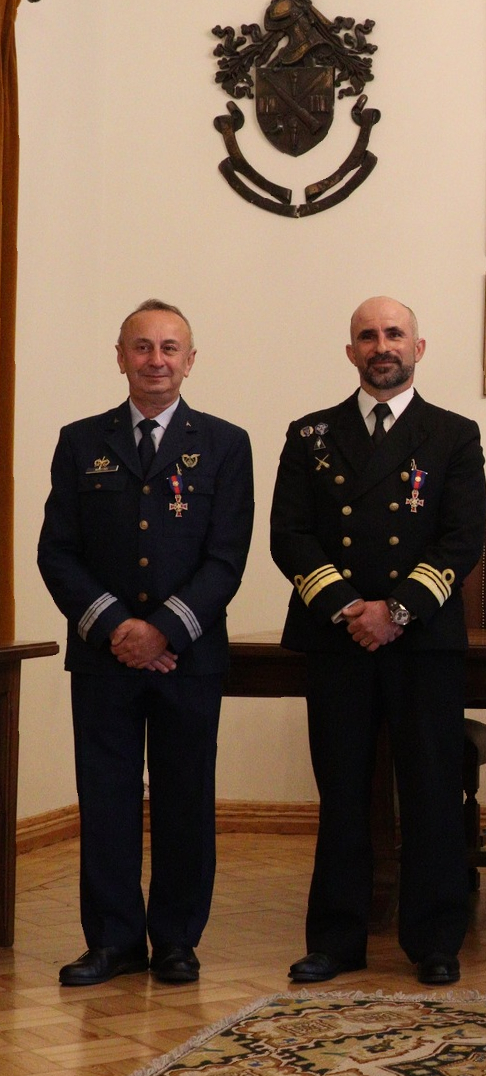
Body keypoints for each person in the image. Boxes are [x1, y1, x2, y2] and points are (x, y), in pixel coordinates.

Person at [271, 297, 486, 987]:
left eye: (395, 334)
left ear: (418, 348)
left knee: (431, 790)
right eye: (367, 335)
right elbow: (289, 535)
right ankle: (336, 940)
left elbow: (463, 536)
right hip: (338, 640)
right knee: (342, 792)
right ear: (351, 352)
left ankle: (435, 940)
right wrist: (348, 608)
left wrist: (395, 610)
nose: (381, 345)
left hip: (421, 640)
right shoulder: (310, 434)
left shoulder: (454, 434)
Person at [37, 300, 253, 987]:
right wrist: (116, 628)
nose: (155, 360)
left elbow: (227, 557)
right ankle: (113, 941)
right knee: (106, 798)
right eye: (142, 347)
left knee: (185, 797)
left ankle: (177, 940)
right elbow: (57, 551)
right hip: (104, 658)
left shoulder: (225, 444)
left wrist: (164, 629)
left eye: (169, 348)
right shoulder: (80, 441)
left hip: (189, 656)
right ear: (120, 356)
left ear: (190, 361)